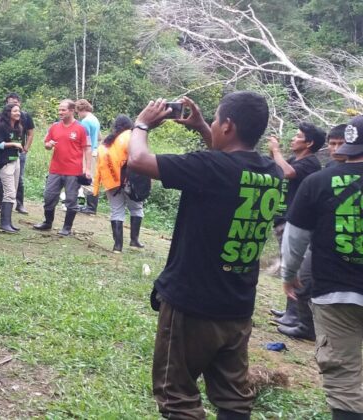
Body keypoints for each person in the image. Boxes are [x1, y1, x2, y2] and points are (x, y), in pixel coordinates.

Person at [128, 93, 283, 419]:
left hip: (193, 307)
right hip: (237, 308)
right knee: (233, 399)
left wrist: (141, 124)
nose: (210, 125)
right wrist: (201, 126)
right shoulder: (272, 171)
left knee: (177, 396)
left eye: (215, 121)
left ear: (227, 126)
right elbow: (230, 160)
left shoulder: (210, 166)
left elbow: (138, 160)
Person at [279, 115, 363, 419]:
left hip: (336, 296)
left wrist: (289, 276)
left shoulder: (318, 181)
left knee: (345, 381)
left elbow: (296, 239)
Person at [266, 123, 325, 339]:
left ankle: (296, 316)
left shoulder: (311, 163)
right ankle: (290, 311)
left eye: (298, 136)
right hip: (283, 218)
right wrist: (274, 154)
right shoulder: (296, 159)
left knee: (296, 268)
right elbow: (279, 169)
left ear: (309, 143)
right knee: (288, 265)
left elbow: (288, 173)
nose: (293, 139)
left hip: (297, 223)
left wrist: (276, 150)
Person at [33, 99, 91, 236]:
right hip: (55, 169)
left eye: (63, 110)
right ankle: (47, 222)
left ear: (72, 111)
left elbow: (87, 149)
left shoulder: (81, 128)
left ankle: (67, 227)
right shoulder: (54, 127)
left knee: (71, 200)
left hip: (73, 171)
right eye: (59, 110)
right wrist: (48, 145)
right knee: (49, 196)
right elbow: (46, 144)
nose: (60, 112)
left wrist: (87, 169)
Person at [91, 115, 146, 253]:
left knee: (117, 211)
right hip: (129, 181)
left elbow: (100, 165)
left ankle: (117, 246)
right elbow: (138, 157)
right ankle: (134, 241)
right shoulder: (130, 136)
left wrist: (97, 186)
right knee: (136, 209)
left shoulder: (106, 142)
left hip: (111, 182)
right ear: (129, 125)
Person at [0, 93, 35, 214]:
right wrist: (3, 145)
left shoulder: (25, 117)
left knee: (19, 180)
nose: (13, 105)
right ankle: (2, 206)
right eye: (10, 103)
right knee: (1, 181)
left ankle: (19, 204)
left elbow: (30, 133)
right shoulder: (0, 118)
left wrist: (25, 148)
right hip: (4, 156)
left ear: (19, 103)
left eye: (15, 103)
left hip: (18, 153)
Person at [0, 104, 27, 232]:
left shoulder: (18, 127)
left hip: (15, 161)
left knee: (14, 191)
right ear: (8, 113)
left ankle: (9, 222)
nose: (18, 113)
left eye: (19, 110)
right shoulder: (2, 127)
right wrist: (13, 144)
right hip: (5, 162)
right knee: (10, 192)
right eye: (15, 111)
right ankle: (4, 223)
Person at [76, 99, 102, 214]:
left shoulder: (85, 121)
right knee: (92, 177)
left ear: (81, 109)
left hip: (88, 152)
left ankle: (91, 207)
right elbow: (99, 137)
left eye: (77, 112)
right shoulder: (95, 119)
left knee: (88, 177)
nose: (78, 115)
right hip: (95, 150)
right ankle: (89, 205)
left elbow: (81, 139)